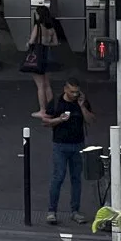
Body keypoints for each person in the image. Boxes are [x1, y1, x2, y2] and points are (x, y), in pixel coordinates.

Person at [41, 77, 96, 226]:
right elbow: (46, 122)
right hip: (60, 145)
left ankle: (75, 211)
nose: (74, 95)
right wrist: (59, 119)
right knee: (58, 177)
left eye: (77, 92)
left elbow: (91, 120)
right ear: (65, 89)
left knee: (76, 179)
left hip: (78, 144)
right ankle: (52, 211)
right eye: (72, 92)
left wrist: (82, 106)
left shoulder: (82, 102)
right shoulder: (57, 103)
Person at [24, 4, 60, 118]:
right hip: (47, 56)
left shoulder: (38, 26)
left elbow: (31, 41)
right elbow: (55, 43)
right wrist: (46, 43)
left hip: (38, 56)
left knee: (40, 85)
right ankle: (51, 109)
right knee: (47, 84)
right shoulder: (51, 29)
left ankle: (42, 110)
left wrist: (28, 44)